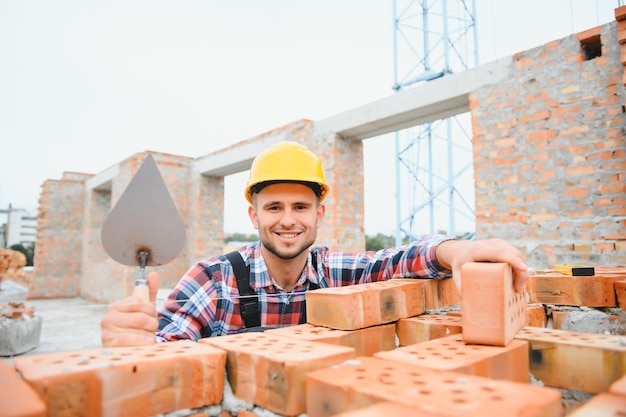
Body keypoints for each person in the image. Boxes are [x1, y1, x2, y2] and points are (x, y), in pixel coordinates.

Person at [101, 141, 527, 347]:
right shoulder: (213, 278)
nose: (288, 221)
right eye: (274, 208)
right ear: (254, 215)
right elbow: (166, 347)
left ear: (319, 214)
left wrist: (459, 251)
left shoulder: (336, 271)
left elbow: (402, 258)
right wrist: (138, 349)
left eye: (301, 207)